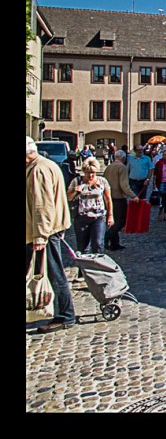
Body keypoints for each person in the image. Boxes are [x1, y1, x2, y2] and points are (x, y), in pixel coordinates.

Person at [26, 136, 77, 333]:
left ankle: (65, 315)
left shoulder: (39, 169)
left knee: (54, 274)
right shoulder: (44, 165)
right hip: (46, 230)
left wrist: (40, 236)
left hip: (45, 232)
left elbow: (42, 206)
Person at [67, 157, 113, 254]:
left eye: (93, 173)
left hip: (98, 216)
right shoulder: (77, 181)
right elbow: (68, 198)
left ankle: (98, 261)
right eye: (88, 173)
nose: (91, 175)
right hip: (81, 217)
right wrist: (75, 191)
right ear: (84, 171)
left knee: (98, 243)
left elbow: (108, 199)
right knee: (82, 247)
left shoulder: (102, 181)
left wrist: (110, 215)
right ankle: (84, 263)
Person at [103, 149, 137, 251]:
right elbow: (124, 185)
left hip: (109, 197)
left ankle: (115, 244)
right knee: (121, 222)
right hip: (119, 198)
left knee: (114, 221)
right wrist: (133, 196)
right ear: (123, 158)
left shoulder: (109, 167)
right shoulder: (122, 167)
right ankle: (106, 236)